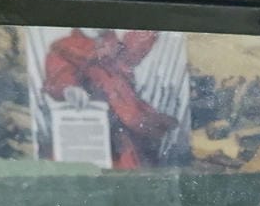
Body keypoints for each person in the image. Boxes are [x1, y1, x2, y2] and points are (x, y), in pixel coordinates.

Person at [42, 28, 177, 169]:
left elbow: (136, 47)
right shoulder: (64, 48)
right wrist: (69, 89)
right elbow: (59, 73)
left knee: (128, 158)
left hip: (120, 117)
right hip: (85, 119)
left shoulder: (117, 47)